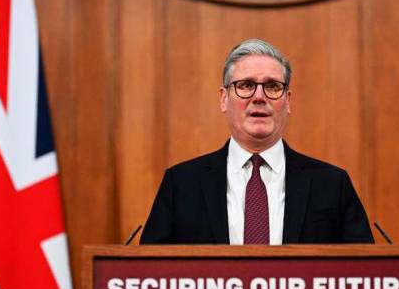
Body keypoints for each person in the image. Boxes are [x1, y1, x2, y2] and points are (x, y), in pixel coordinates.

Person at [140, 39, 373, 245]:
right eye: (246, 86)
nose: (259, 97)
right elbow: (150, 274)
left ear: (288, 101)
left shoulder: (332, 184)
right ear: (224, 99)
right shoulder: (181, 184)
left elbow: (364, 274)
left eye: (272, 86)